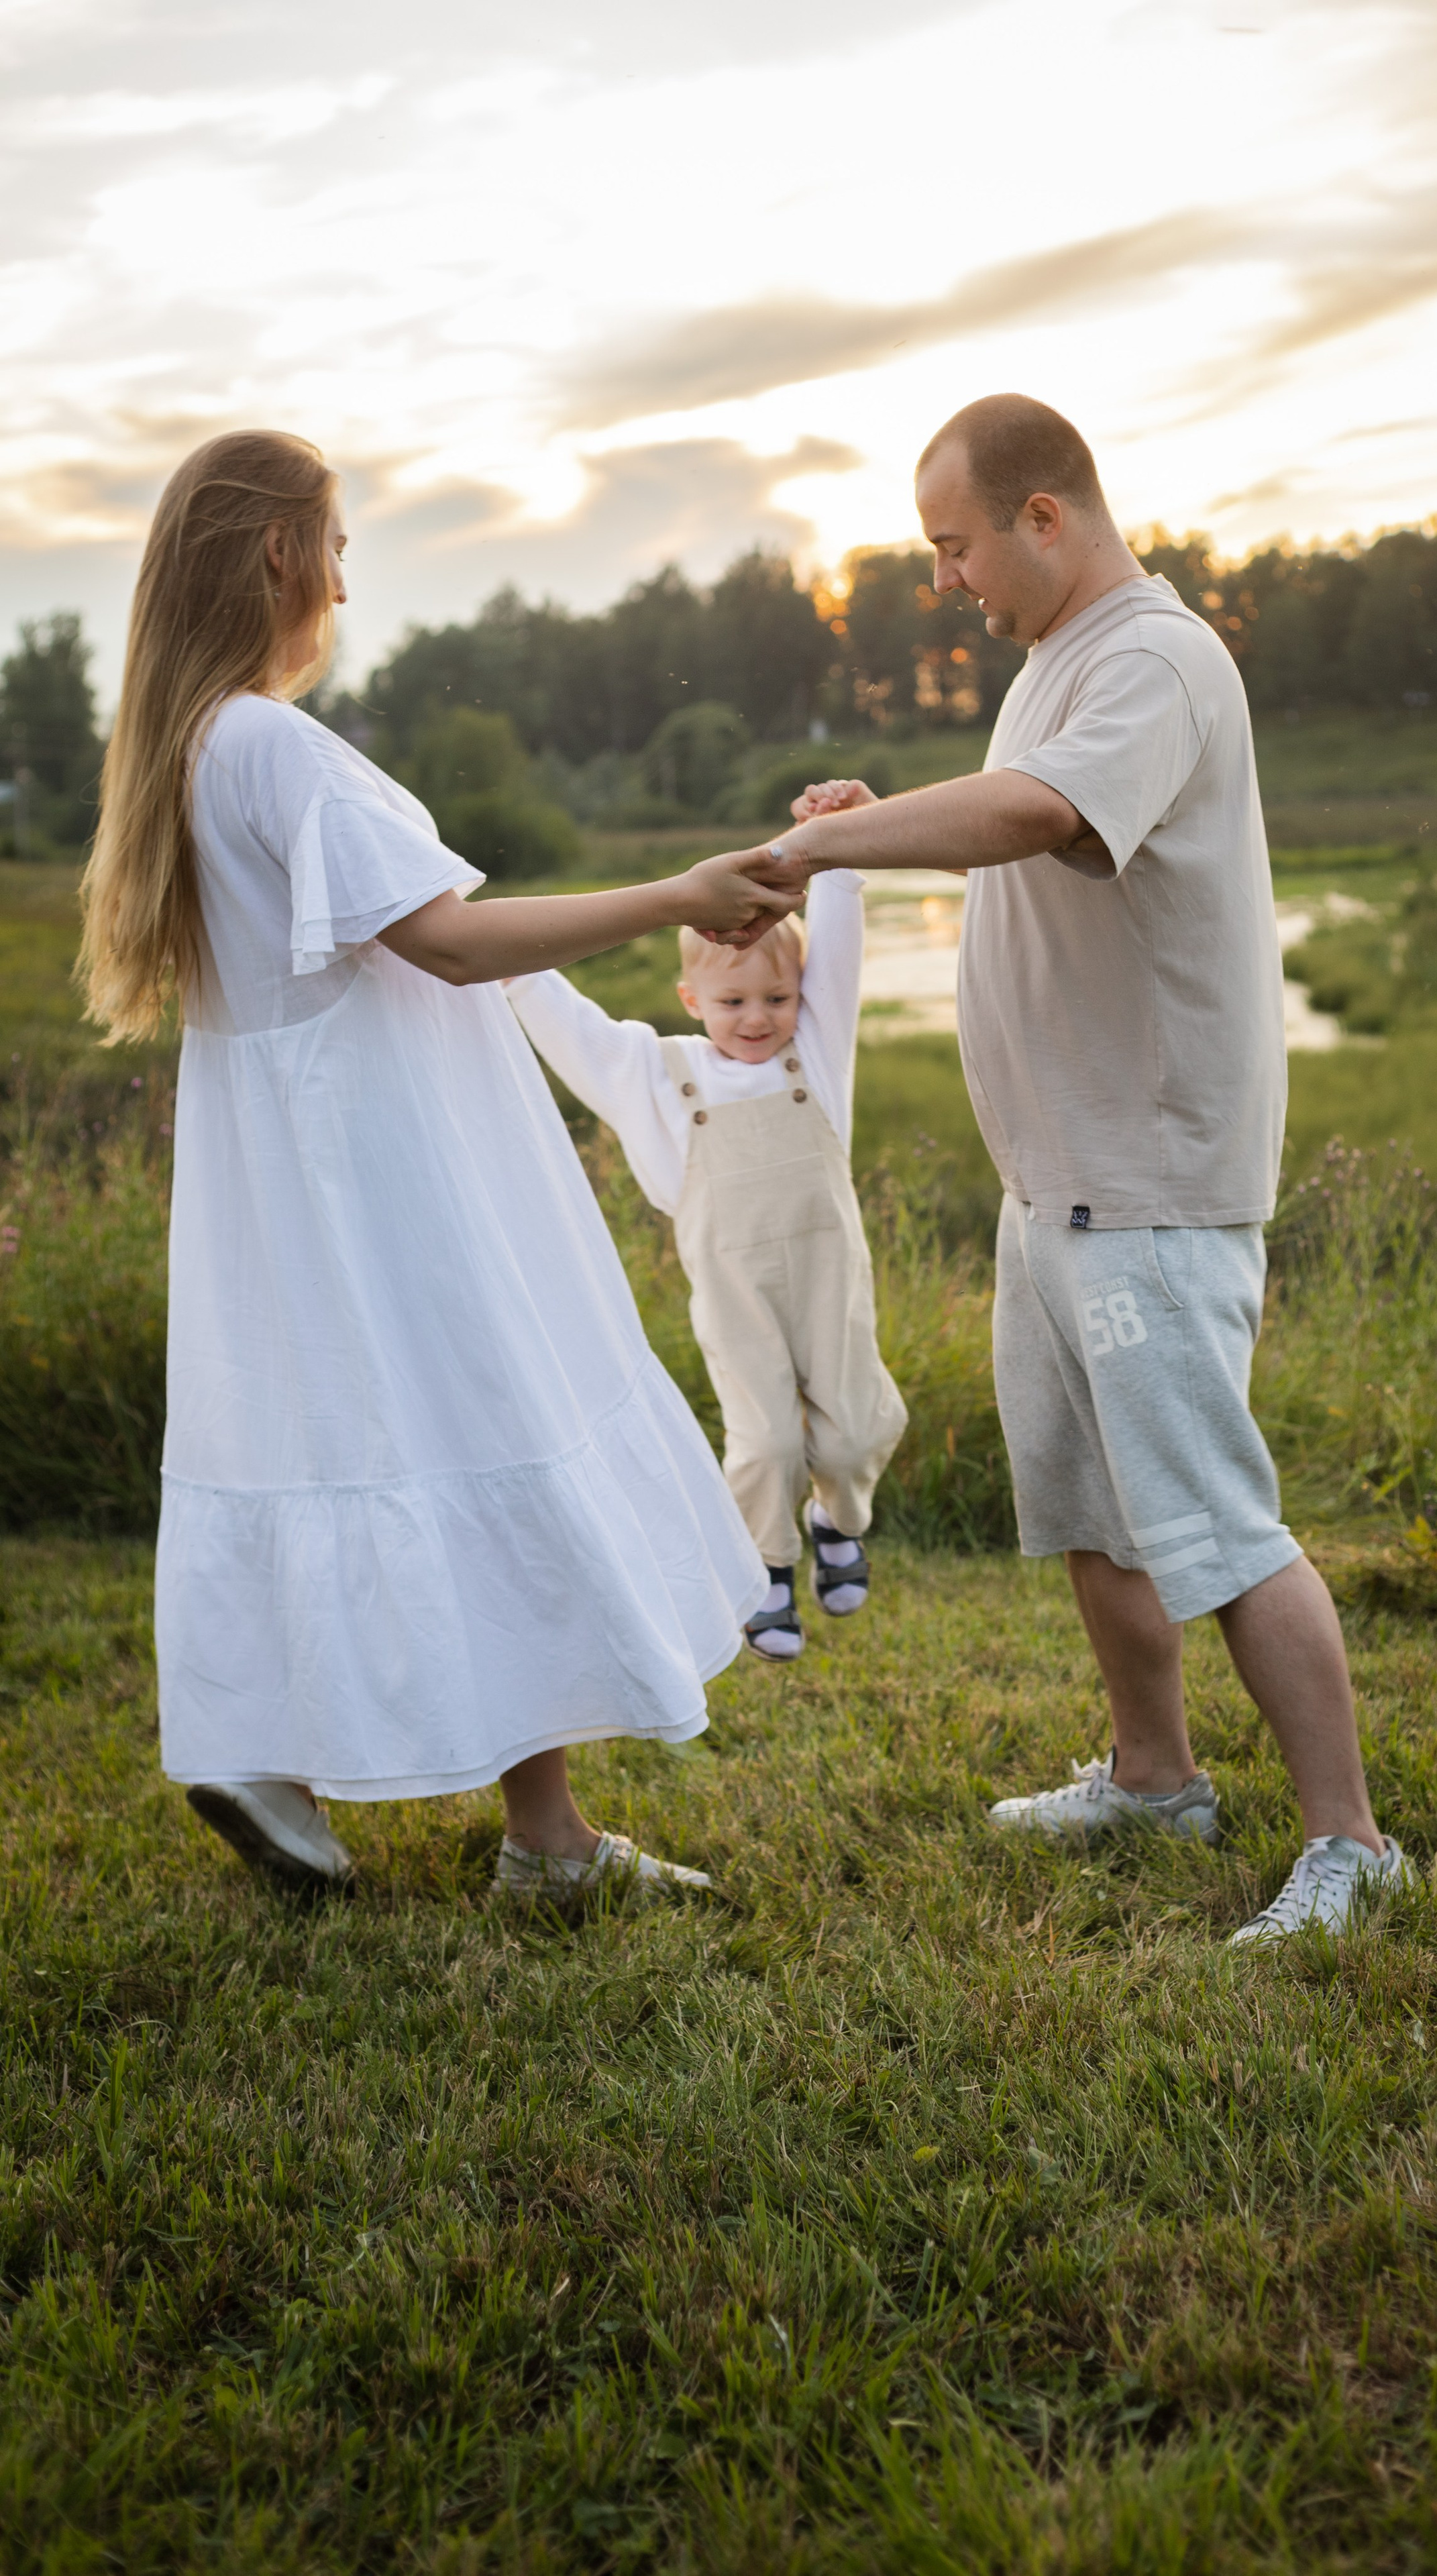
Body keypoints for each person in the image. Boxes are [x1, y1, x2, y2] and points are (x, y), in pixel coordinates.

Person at [77, 429, 796, 1907]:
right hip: (392, 1169)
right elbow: (448, 942)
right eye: (335, 547)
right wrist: (677, 891)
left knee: (347, 1440)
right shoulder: (272, 744)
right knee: (484, 1416)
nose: (344, 583)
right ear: (276, 549)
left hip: (297, 1181)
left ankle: (284, 1757)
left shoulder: (194, 750)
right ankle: (538, 1841)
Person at [740, 394, 1412, 1946]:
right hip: (1055, 1183)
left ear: (1042, 516)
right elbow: (1019, 829)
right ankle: (1152, 1776)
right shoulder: (1059, 660)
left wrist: (825, 851)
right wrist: (877, 819)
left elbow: (1039, 813)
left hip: (1147, 1182)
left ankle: (1351, 1841)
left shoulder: (1154, 658)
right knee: (1088, 1516)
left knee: (1214, 1527)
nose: (944, 580)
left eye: (953, 546)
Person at [508, 869, 906, 1660]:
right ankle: (766, 1568)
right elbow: (572, 1028)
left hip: (830, 1286)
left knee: (854, 1434)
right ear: (691, 1000)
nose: (757, 1019)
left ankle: (838, 1521)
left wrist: (835, 866)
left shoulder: (815, 1059)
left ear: (801, 996)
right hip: (735, 1297)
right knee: (767, 1444)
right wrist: (513, 967)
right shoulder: (656, 1074)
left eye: (777, 998)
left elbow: (839, 955)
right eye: (732, 1002)